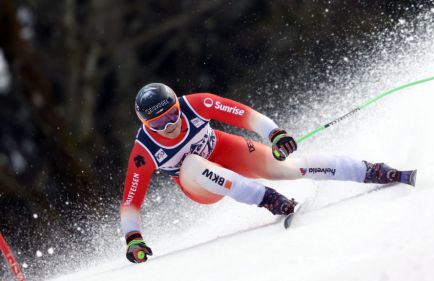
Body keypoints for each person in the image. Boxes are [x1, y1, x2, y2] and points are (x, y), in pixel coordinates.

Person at [120, 83, 416, 263]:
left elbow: (245, 114)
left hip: (225, 150)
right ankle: (267, 199)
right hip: (199, 184)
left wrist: (274, 133)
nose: (169, 125)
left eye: (172, 114)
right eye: (158, 123)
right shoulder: (144, 150)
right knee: (193, 164)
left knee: (288, 167)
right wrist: (134, 238)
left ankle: (372, 171)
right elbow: (131, 201)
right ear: (145, 125)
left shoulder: (196, 104)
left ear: (177, 105)